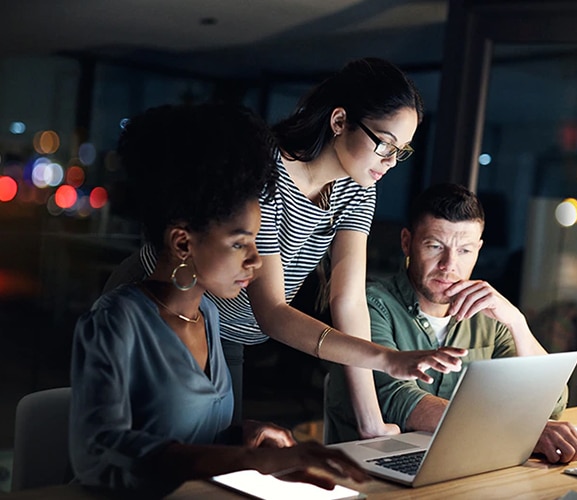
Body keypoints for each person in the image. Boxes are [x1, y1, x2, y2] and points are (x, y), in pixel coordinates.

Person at [105, 57, 465, 437]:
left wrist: (370, 422)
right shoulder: (264, 171)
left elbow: (349, 302)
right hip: (167, 302)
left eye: (402, 151)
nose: (392, 162)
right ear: (340, 121)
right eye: (385, 144)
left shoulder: (359, 189)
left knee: (217, 450)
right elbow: (272, 311)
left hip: (230, 330)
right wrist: (386, 359)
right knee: (146, 444)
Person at [69, 103, 369, 497]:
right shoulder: (116, 321)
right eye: (239, 243)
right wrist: (247, 461)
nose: (256, 261)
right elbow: (99, 452)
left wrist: (246, 435)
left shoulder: (207, 315)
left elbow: (191, 431)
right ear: (182, 242)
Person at [325, 183, 577, 464]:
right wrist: (513, 429)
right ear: (407, 242)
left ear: (478, 249)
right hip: (370, 471)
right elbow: (395, 399)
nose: (448, 264)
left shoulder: (488, 314)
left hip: (459, 465)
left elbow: (552, 403)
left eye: (464, 250)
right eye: (435, 246)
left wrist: (517, 322)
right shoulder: (370, 306)